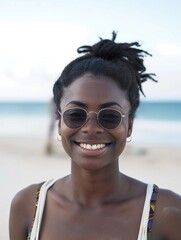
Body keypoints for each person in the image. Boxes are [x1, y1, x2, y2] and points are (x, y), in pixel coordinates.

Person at [9, 32, 181, 240]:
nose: (91, 128)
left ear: (129, 126)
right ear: (59, 123)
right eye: (75, 115)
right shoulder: (28, 206)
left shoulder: (168, 212)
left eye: (110, 116)